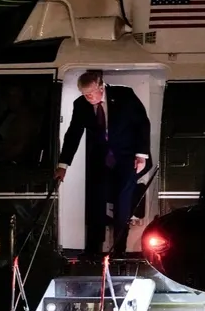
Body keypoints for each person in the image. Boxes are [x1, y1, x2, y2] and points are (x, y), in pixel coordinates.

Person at [54, 70, 151, 258]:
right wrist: (63, 165)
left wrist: (141, 155)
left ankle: (119, 251)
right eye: (85, 94)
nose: (88, 97)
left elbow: (142, 123)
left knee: (122, 205)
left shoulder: (124, 95)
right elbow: (73, 134)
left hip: (127, 157)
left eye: (91, 93)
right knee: (96, 202)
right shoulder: (81, 104)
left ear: (101, 87)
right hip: (100, 158)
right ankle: (93, 250)